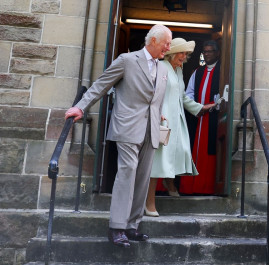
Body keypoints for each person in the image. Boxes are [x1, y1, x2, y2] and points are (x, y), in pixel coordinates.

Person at [64, 24, 172, 248]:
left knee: (142, 178)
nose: (168, 48)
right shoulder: (127, 60)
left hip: (150, 130)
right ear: (153, 41)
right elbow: (101, 85)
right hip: (127, 127)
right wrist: (81, 108)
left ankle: (132, 226)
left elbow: (154, 99)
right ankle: (117, 227)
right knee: (128, 171)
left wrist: (158, 115)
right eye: (166, 43)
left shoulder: (163, 69)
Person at [145, 38, 216, 216]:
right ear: (171, 53)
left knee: (171, 157)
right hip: (162, 121)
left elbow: (182, 97)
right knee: (156, 162)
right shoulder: (160, 67)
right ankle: (149, 203)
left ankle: (168, 184)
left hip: (176, 122)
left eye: (186, 54)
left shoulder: (177, 71)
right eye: (181, 53)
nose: (184, 57)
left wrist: (200, 108)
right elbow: (149, 92)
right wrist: (154, 115)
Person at [179, 40, 221, 195]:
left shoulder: (223, 71)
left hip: (214, 119)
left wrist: (216, 105)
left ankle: (207, 187)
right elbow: (188, 94)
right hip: (197, 118)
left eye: (210, 51)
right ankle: (190, 187)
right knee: (193, 150)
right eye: (205, 51)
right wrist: (197, 107)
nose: (207, 54)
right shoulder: (197, 72)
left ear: (217, 53)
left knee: (209, 153)